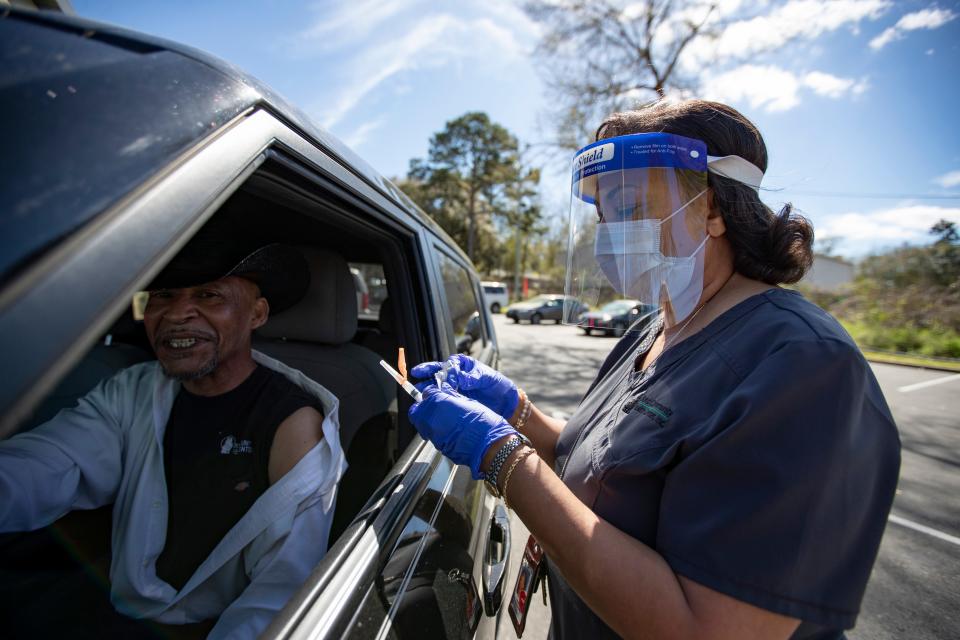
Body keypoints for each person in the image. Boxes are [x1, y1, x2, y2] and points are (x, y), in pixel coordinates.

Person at [407, 99, 901, 639]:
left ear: (712, 208)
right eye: (603, 215)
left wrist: (502, 457)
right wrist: (517, 412)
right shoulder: (654, 328)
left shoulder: (804, 365)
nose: (608, 232)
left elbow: (706, 630)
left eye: (628, 205)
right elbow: (604, 474)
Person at [0, 239, 347, 639]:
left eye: (208, 295)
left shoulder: (294, 422)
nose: (177, 313)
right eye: (163, 295)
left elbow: (278, 596)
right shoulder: (133, 389)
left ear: (257, 314)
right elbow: (48, 464)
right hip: (116, 610)